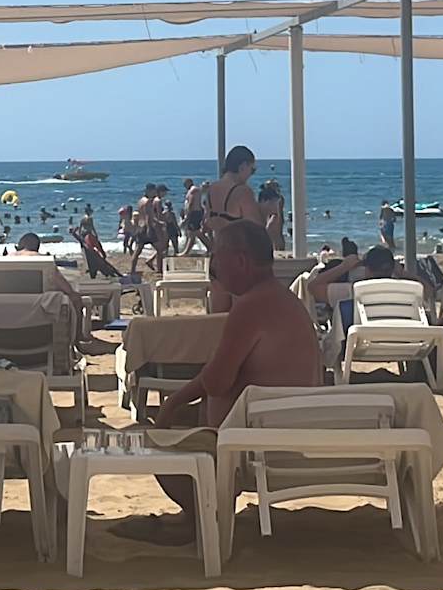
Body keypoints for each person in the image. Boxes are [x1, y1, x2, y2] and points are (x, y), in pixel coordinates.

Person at [113, 220, 322, 547]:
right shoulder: (283, 301)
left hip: (255, 448)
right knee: (184, 417)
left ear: (240, 260)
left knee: (152, 435)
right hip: (284, 430)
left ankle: (199, 516)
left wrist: (172, 403)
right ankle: (195, 512)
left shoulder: (251, 306)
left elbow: (216, 381)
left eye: (217, 255)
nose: (213, 265)